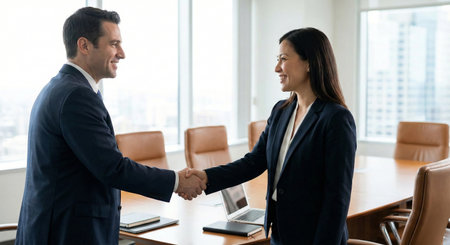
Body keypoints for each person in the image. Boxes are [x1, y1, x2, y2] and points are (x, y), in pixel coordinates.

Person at [16, 7, 204, 244]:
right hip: (67, 233)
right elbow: (112, 168)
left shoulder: (62, 87)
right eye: (114, 44)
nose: (122, 53)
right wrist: (177, 181)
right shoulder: (76, 96)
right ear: (84, 45)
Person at [185, 28, 357, 244]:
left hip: (315, 237)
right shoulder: (281, 112)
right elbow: (253, 162)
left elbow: (337, 199)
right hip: (281, 233)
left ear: (309, 63)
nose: (277, 68)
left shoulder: (336, 119)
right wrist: (207, 177)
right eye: (277, 60)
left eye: (283, 59)